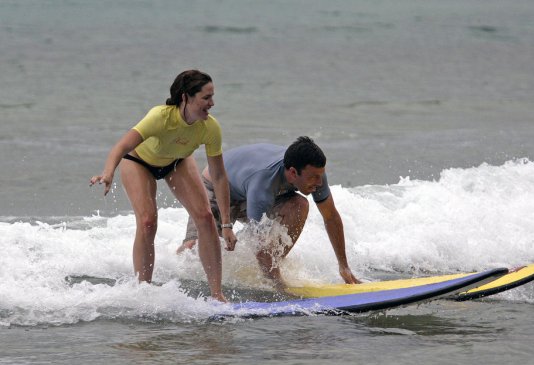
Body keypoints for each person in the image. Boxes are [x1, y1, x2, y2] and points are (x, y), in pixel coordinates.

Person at [90, 69, 235, 302]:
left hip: (176, 161)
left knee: (206, 218)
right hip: (138, 162)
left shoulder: (210, 128)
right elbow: (121, 146)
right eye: (206, 98)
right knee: (147, 222)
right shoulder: (160, 117)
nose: (212, 103)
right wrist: (108, 173)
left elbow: (218, 177)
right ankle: (143, 292)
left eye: (212, 96)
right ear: (186, 97)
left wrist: (226, 224)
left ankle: (217, 294)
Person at [177, 136, 361, 290]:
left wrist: (344, 266)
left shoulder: (315, 174)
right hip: (215, 186)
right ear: (293, 172)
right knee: (194, 245)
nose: (319, 183)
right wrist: (282, 289)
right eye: (313, 177)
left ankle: (271, 270)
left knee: (299, 204)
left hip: (246, 186)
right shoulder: (263, 184)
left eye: (320, 176)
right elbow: (259, 245)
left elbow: (331, 216)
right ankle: (173, 274)